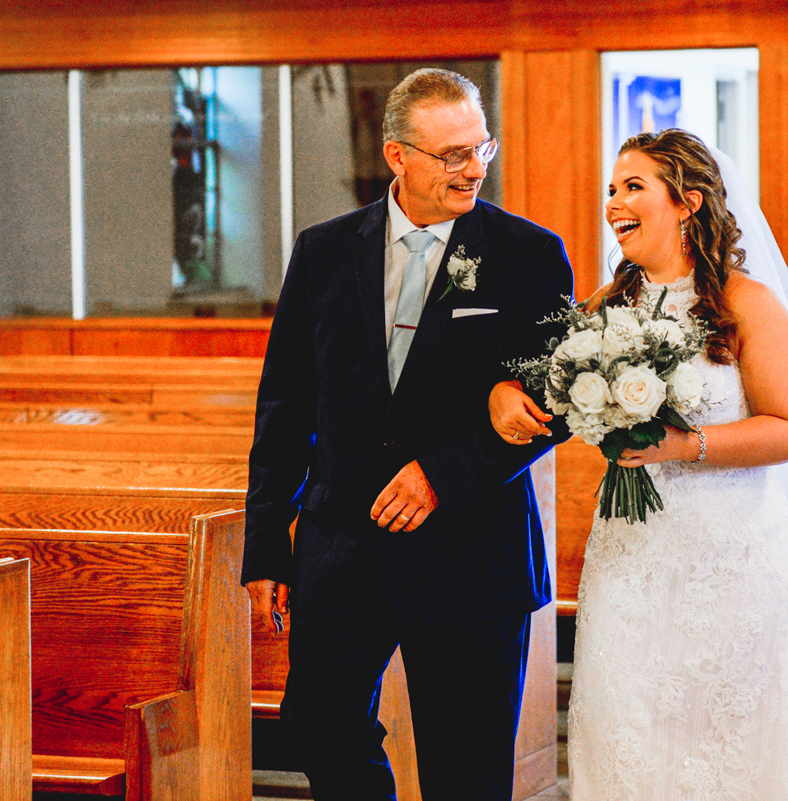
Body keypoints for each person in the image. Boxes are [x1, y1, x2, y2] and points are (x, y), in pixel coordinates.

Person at [490, 129, 788, 800]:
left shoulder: (746, 303)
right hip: (630, 556)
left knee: (724, 736)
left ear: (688, 202)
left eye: (634, 187)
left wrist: (681, 445)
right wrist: (510, 394)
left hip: (730, 555)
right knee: (621, 717)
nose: (614, 204)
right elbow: (550, 394)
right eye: (612, 189)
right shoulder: (605, 306)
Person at [241, 68, 573, 801]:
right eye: (451, 153)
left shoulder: (529, 256)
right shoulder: (323, 251)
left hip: (469, 544)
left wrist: (442, 474)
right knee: (319, 726)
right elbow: (286, 404)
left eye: (480, 146)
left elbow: (557, 401)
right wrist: (265, 541)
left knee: (467, 769)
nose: (473, 166)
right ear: (399, 156)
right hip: (343, 544)